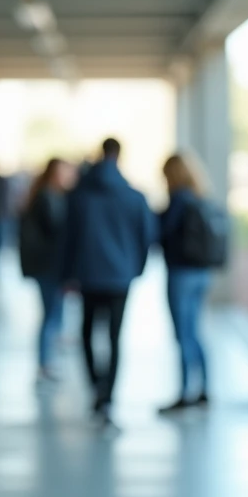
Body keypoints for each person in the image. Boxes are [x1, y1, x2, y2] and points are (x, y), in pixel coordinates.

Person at [64, 138, 157, 429]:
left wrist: (68, 274)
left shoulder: (79, 195)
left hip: (88, 274)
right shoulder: (134, 196)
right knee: (115, 337)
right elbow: (147, 238)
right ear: (119, 156)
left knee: (88, 332)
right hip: (120, 277)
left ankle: (96, 386)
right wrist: (135, 269)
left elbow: (68, 239)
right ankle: (108, 397)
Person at [158, 153, 215, 412]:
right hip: (202, 273)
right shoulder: (201, 198)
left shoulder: (179, 200)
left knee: (183, 334)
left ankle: (184, 392)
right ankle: (204, 388)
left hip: (181, 273)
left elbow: (162, 232)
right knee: (195, 331)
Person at [19, 158, 76, 381]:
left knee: (53, 312)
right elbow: (57, 229)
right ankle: (44, 363)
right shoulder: (48, 197)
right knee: (50, 313)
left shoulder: (45, 195)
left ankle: (49, 356)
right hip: (48, 266)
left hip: (47, 265)